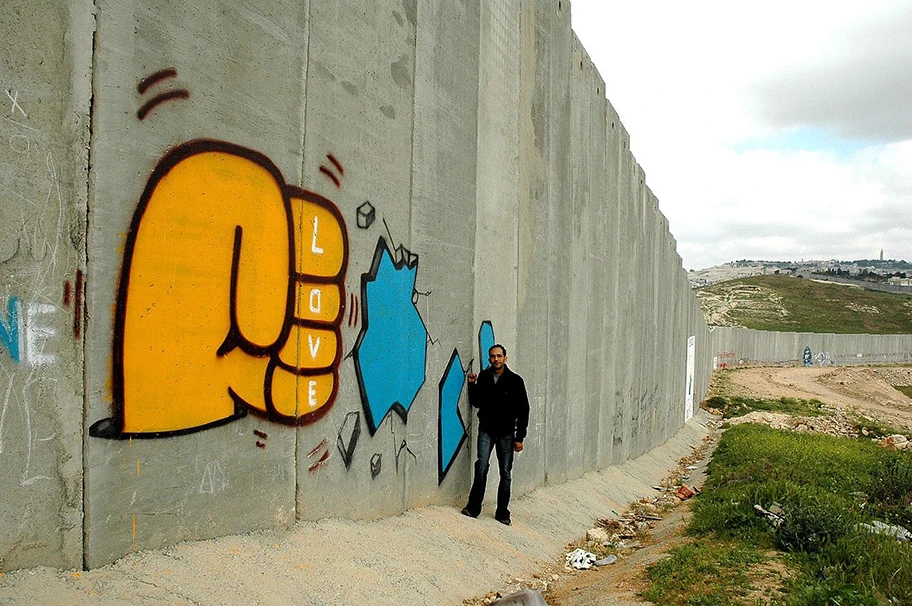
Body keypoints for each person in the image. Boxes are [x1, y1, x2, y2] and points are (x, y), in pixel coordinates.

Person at [461, 344, 530, 526]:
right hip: (486, 430)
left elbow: (524, 410)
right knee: (481, 465)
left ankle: (502, 513)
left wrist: (519, 437)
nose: (496, 359)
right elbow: (477, 403)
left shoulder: (515, 381)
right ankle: (473, 508)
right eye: (493, 356)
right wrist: (472, 385)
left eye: (499, 356)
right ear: (489, 359)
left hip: (507, 434)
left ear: (505, 358)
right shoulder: (484, 377)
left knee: (505, 473)